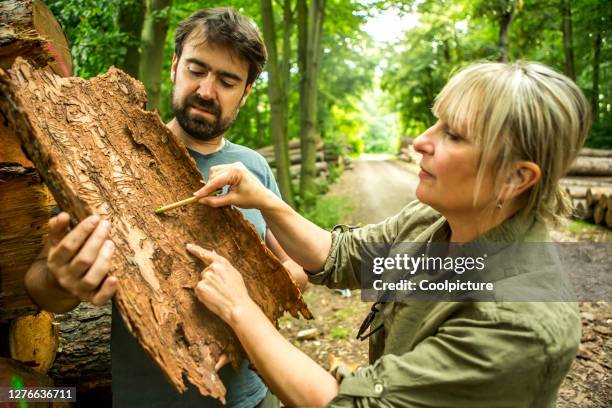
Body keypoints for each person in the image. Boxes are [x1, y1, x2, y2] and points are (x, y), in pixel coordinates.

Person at [189, 61, 590, 407]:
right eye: (437, 123)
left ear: (516, 177)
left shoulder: (517, 323)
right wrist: (264, 200)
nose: (420, 142)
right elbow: (340, 255)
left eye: (453, 135)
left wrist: (240, 310)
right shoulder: (431, 221)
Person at [24, 7, 304, 408]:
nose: (207, 90)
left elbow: (294, 267)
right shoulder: (105, 158)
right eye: (196, 69)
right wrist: (58, 278)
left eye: (227, 81)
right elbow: (40, 285)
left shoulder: (253, 169)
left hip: (252, 400)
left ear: (245, 93)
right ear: (174, 66)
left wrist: (247, 310)